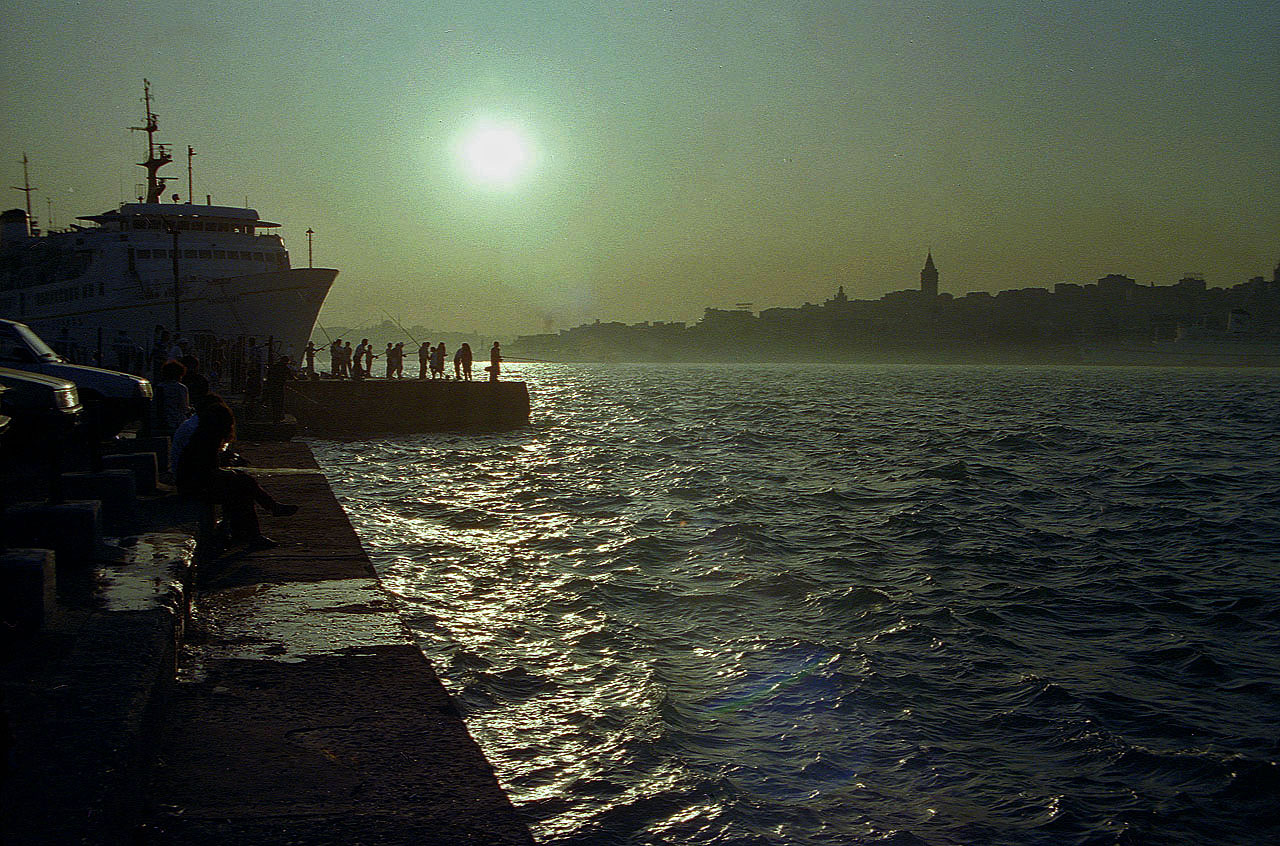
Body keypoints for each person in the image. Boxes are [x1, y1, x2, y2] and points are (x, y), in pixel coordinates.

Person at [175, 398, 297, 550]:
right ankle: (264, 519)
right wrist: (232, 474)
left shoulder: (201, 435)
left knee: (241, 485)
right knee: (242, 484)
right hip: (193, 488)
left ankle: (254, 530)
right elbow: (207, 472)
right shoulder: (205, 439)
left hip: (193, 483)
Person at [155, 359, 192, 433]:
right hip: (177, 423)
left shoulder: (159, 387)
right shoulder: (181, 388)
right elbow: (184, 407)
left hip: (160, 423)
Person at [264, 355, 294, 422]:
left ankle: (275, 416)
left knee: (274, 402)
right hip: (280, 387)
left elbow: (268, 375)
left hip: (272, 386)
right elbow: (291, 376)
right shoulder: (284, 368)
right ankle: (279, 417)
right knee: (280, 402)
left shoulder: (274, 367)